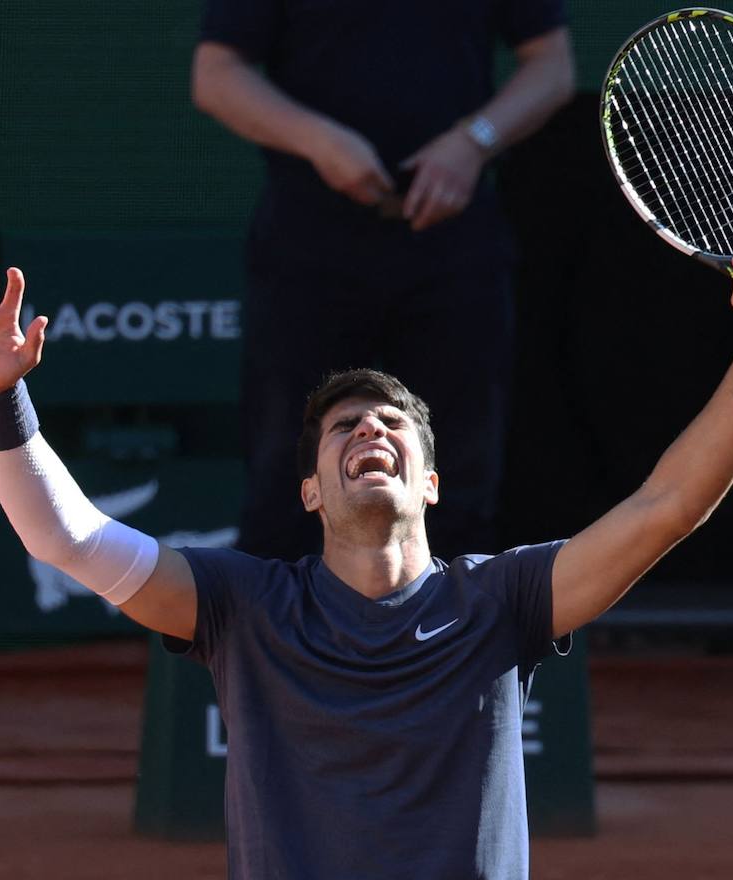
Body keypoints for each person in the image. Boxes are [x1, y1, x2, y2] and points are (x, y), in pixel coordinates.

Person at [0, 245, 733, 880]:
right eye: (342, 428)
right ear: (310, 491)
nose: (369, 429)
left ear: (431, 482)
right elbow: (68, 538)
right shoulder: (241, 609)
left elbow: (666, 506)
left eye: (391, 422)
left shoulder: (503, 602)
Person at [189, 0, 576, 563]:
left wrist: (474, 141)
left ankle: (451, 645)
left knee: (458, 481)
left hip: (454, 254)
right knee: (288, 478)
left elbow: (552, 65)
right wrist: (319, 140)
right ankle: (283, 649)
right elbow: (217, 74)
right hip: (308, 256)